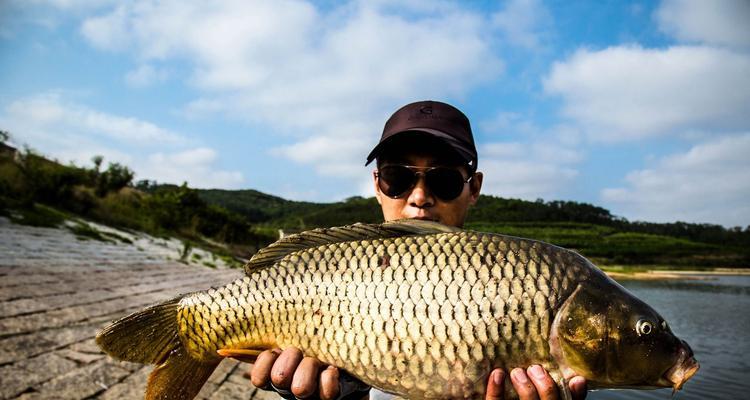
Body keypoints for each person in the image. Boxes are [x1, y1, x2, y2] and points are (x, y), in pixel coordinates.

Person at [247, 101, 588, 400]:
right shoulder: (328, 268)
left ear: (474, 188)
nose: (420, 196)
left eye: (443, 180)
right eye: (398, 178)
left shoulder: (516, 274)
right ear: (377, 185)